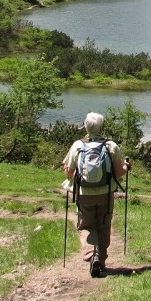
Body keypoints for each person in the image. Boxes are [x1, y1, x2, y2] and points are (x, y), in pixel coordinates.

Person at [63, 112, 130, 278]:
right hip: (105, 193)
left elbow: (69, 173)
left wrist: (68, 170)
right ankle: (101, 261)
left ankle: (92, 256)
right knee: (103, 225)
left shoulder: (77, 146)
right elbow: (118, 173)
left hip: (83, 193)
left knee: (85, 225)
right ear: (102, 127)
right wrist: (127, 167)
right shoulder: (111, 146)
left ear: (86, 126)